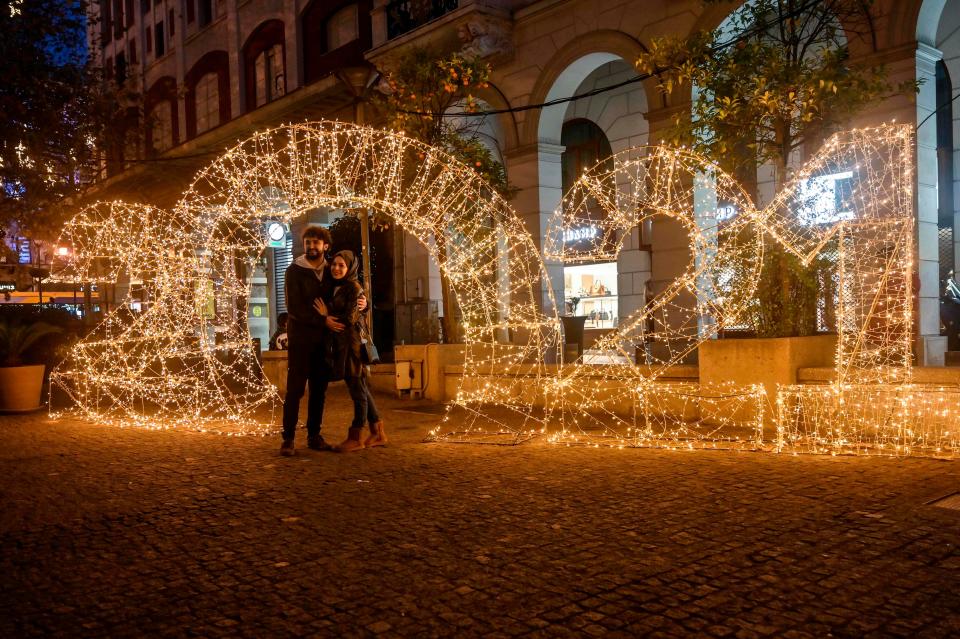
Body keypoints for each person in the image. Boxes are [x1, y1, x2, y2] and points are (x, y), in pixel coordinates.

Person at [280, 226, 344, 457]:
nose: (311, 246)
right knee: (295, 390)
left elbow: (348, 291)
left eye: (316, 242)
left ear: (325, 246)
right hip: (300, 340)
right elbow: (294, 308)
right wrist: (323, 320)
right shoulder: (294, 270)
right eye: (308, 242)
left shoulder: (332, 270)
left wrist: (362, 302)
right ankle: (288, 439)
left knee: (319, 390)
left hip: (323, 342)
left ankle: (314, 436)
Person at [314, 250, 386, 452]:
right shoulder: (334, 286)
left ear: (350, 268)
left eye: (342, 265)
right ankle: (378, 432)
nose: (336, 268)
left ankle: (356, 436)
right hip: (341, 345)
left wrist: (326, 315)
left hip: (352, 345)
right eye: (334, 264)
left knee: (357, 389)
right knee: (360, 386)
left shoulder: (353, 288)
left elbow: (349, 319)